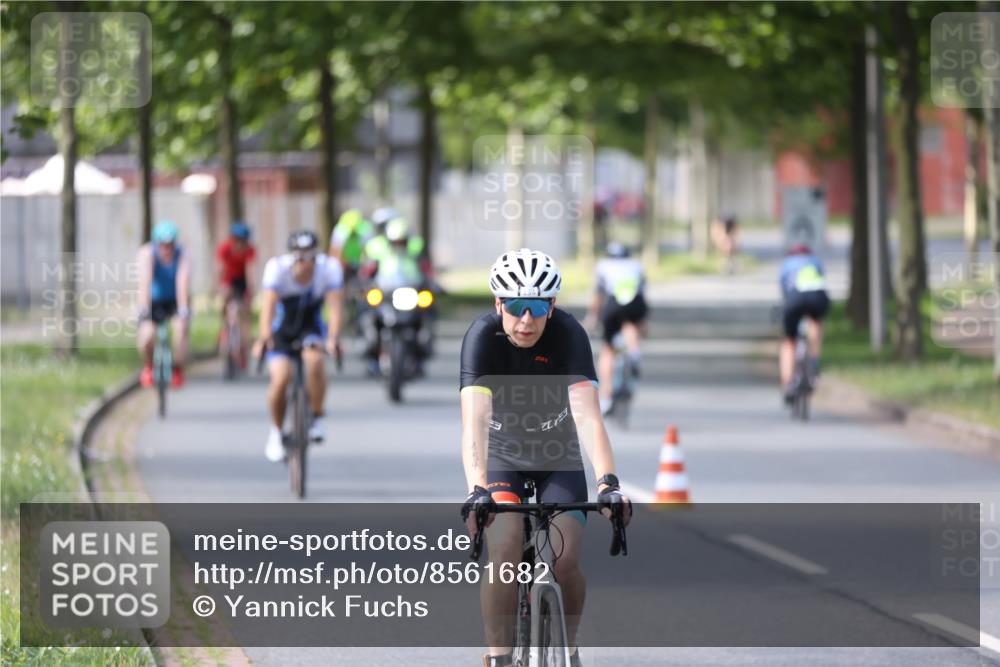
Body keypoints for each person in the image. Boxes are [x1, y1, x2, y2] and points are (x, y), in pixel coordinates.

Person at [459, 248, 632, 667]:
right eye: (516, 306)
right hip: (502, 454)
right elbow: (475, 421)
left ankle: (568, 651)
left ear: (552, 306)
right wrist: (478, 490)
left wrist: (608, 483)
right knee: (504, 552)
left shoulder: (569, 334)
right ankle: (499, 657)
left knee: (566, 560)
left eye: (537, 307)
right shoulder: (481, 337)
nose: (526, 319)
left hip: (558, 454)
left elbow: (587, 416)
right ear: (498, 303)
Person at [252, 231, 344, 462]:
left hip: (311, 326)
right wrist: (264, 338)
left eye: (310, 257)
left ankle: (317, 417)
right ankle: (275, 432)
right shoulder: (277, 269)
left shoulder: (329, 269)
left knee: (315, 361)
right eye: (300, 258)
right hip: (283, 327)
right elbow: (268, 309)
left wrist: (333, 338)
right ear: (292, 257)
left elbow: (334, 309)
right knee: (281, 377)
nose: (306, 264)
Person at [359, 217, 433, 376]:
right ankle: (371, 351)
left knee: (428, 313)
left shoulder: (415, 253)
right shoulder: (380, 253)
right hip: (388, 295)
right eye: (395, 242)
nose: (398, 245)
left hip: (409, 293)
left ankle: (422, 351)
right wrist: (365, 282)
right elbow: (369, 271)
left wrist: (431, 283)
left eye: (402, 242)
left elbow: (426, 271)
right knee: (368, 312)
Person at [584, 242, 648, 416]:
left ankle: (606, 396)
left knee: (608, 350)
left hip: (613, 304)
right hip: (636, 302)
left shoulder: (603, 265)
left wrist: (592, 317)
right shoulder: (637, 265)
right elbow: (642, 293)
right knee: (629, 323)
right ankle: (634, 353)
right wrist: (643, 323)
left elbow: (598, 295)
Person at [137, 220, 192, 388]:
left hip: (174, 301)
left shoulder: (182, 255)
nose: (166, 249)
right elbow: (144, 281)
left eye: (170, 245)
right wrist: (144, 308)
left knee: (181, 330)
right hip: (153, 302)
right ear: (157, 243)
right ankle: (149, 365)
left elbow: (182, 281)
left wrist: (183, 308)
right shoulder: (147, 254)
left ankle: (177, 369)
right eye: (163, 245)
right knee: (146, 336)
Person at [778, 243, 830, 402]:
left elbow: (784, 291)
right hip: (817, 296)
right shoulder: (815, 261)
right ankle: (814, 359)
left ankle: (788, 383)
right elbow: (822, 281)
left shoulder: (787, 264)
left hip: (795, 298)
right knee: (816, 322)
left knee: (789, 341)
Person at [216, 221, 256, 365]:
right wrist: (218, 286)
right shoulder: (225, 248)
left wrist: (250, 289)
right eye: (236, 240)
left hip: (242, 281)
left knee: (245, 313)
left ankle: (244, 347)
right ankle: (224, 329)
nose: (238, 244)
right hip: (228, 279)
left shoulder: (249, 250)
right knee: (225, 300)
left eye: (242, 241)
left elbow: (249, 270)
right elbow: (221, 268)